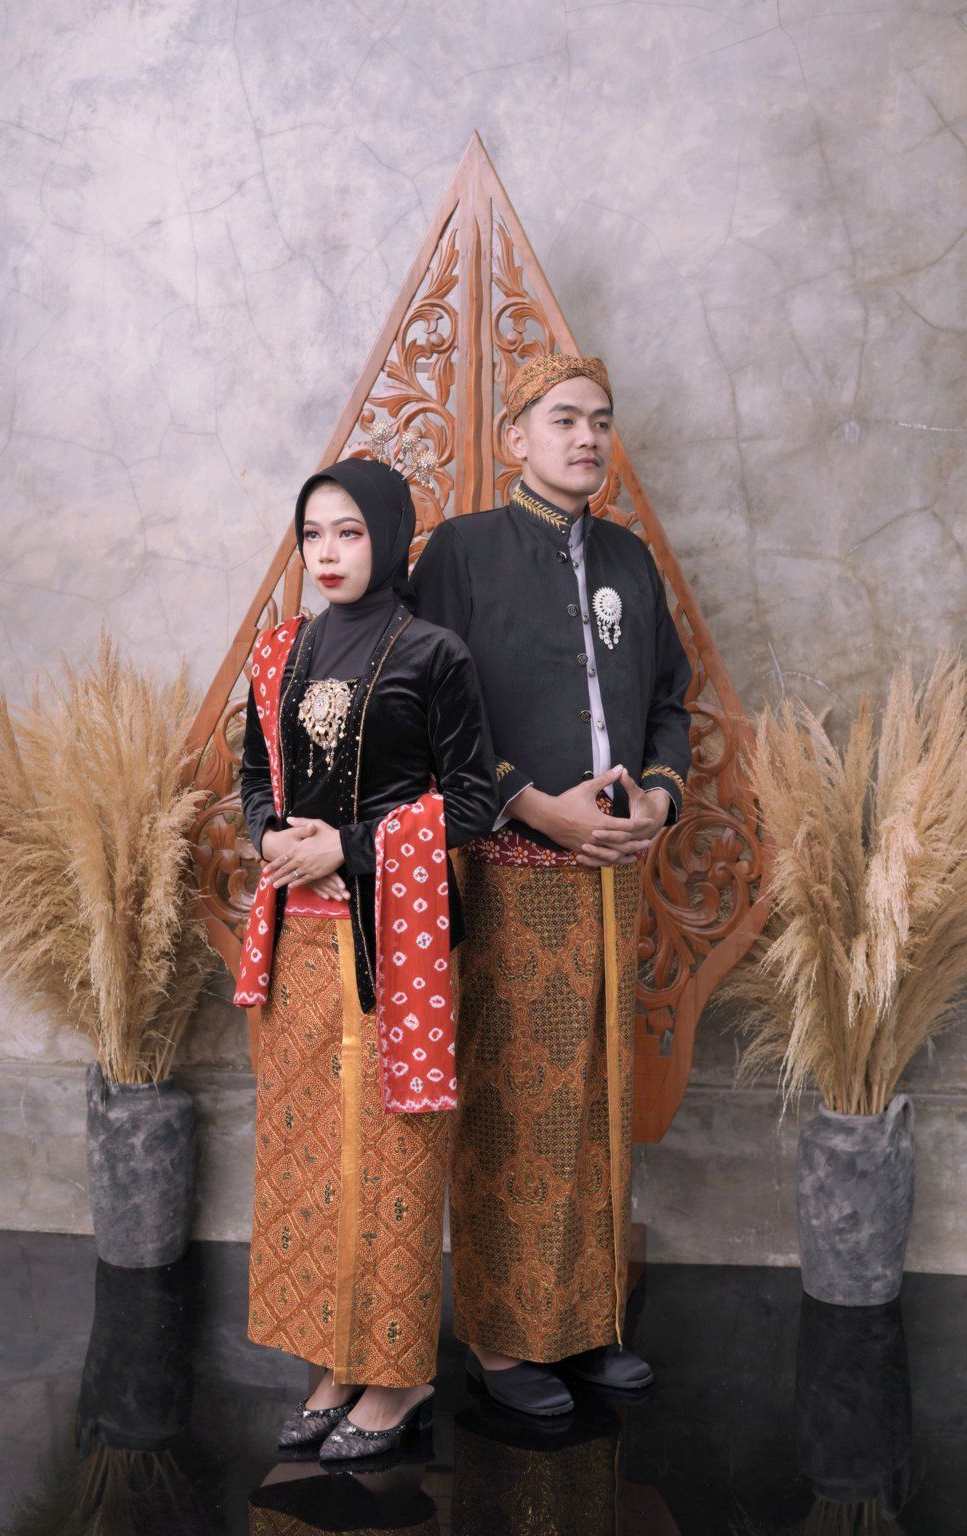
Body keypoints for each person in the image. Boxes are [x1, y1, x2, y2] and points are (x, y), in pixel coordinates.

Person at [411, 353, 692, 1416]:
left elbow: (668, 700)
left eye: (600, 421)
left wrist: (658, 797)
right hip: (508, 870)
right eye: (564, 419)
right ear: (514, 437)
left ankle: (584, 1326)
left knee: (596, 1103)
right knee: (514, 1103)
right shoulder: (464, 552)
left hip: (615, 874)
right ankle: (502, 1338)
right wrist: (532, 804)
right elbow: (427, 709)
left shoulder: (626, 557)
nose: (586, 438)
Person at [237, 457, 498, 1459]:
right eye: (313, 535)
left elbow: (470, 801)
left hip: (396, 949)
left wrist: (347, 846)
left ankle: (394, 1380)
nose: (328, 554)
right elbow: (253, 778)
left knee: (393, 1155)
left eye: (348, 533)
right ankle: (329, 1366)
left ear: (388, 538)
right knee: (307, 1159)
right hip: (298, 949)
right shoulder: (280, 653)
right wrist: (272, 837)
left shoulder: (433, 654)